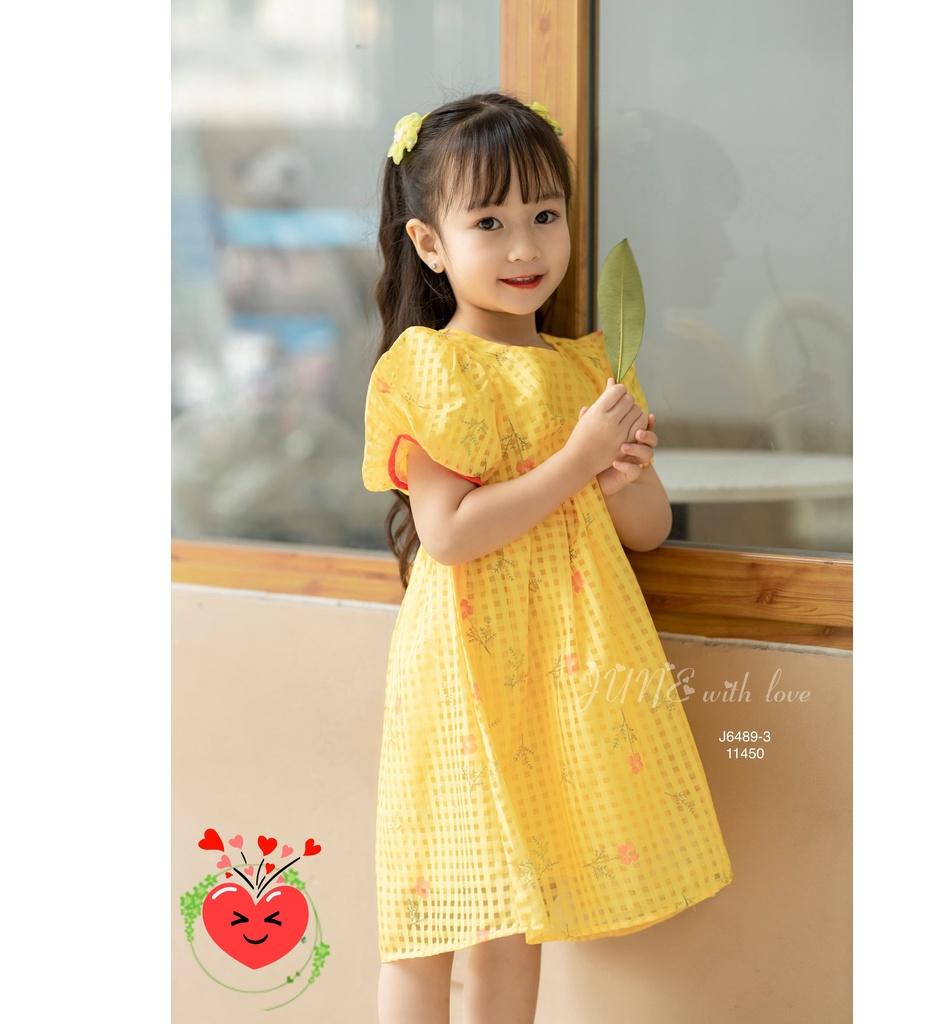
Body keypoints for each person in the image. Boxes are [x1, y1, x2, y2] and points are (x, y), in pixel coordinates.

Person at [362, 92, 734, 1024]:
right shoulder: (431, 367)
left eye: (544, 214)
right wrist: (575, 461)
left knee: (517, 914)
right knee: (434, 909)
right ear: (430, 243)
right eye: (489, 223)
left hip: (561, 663)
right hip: (464, 666)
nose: (525, 245)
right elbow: (450, 532)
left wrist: (621, 473)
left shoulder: (587, 370)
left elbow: (647, 529)